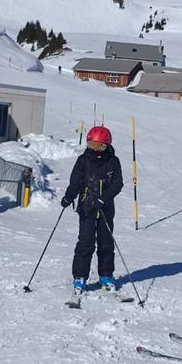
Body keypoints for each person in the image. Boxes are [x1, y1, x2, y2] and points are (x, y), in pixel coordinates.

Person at [60, 126, 124, 295]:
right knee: (85, 242)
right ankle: (80, 277)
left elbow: (117, 184)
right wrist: (69, 196)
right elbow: (76, 181)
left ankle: (106, 275)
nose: (95, 149)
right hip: (86, 207)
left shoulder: (113, 162)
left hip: (105, 208)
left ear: (106, 145)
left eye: (99, 146)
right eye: (92, 145)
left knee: (105, 242)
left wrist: (104, 198)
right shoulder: (83, 160)